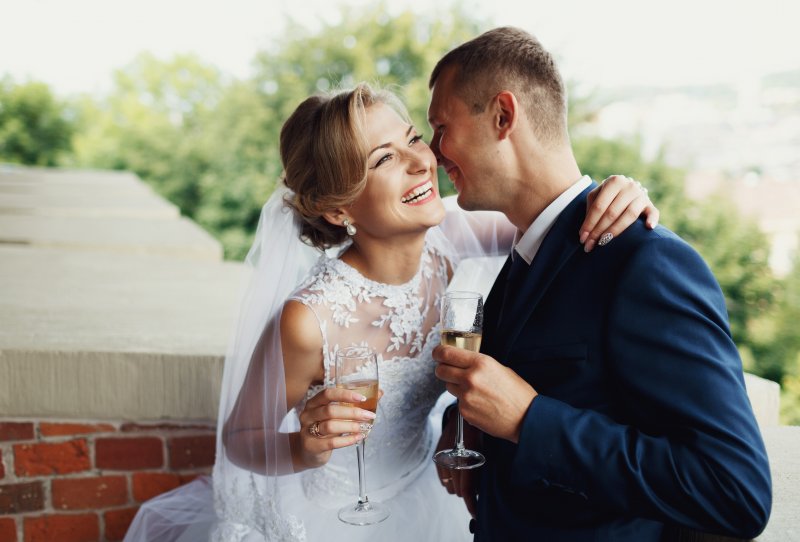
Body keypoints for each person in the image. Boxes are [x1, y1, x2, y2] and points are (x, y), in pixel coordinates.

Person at [123, 83, 657, 542]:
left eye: (414, 139)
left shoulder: (458, 235)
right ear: (339, 209)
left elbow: (554, 215)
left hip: (431, 490)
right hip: (333, 517)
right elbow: (241, 440)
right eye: (383, 159)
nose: (422, 162)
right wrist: (305, 448)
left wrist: (616, 191)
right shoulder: (309, 319)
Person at [429, 27, 772, 542]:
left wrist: (529, 420)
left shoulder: (646, 263)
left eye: (441, 127)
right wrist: (466, 420)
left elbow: (734, 490)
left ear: (503, 116)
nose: (434, 152)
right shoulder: (526, 251)